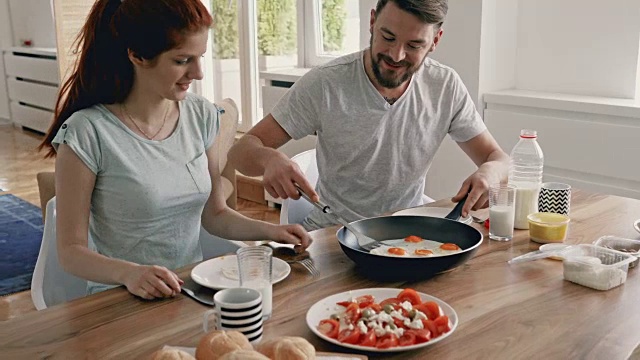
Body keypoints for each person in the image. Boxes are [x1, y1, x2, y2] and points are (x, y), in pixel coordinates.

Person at [39, 0, 311, 300]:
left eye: (200, 57)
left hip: (188, 290)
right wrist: (129, 273)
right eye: (182, 60)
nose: (198, 73)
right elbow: (70, 251)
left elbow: (215, 214)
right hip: (119, 299)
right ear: (137, 55)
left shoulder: (201, 116)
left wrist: (271, 232)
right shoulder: (86, 132)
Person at [229, 0, 509, 231]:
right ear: (372, 22)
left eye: (414, 45)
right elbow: (241, 153)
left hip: (406, 235)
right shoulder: (327, 83)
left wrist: (490, 172)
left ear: (435, 40)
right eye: (388, 37)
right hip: (334, 233)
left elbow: (499, 159)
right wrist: (269, 159)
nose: (397, 55)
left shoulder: (444, 85)